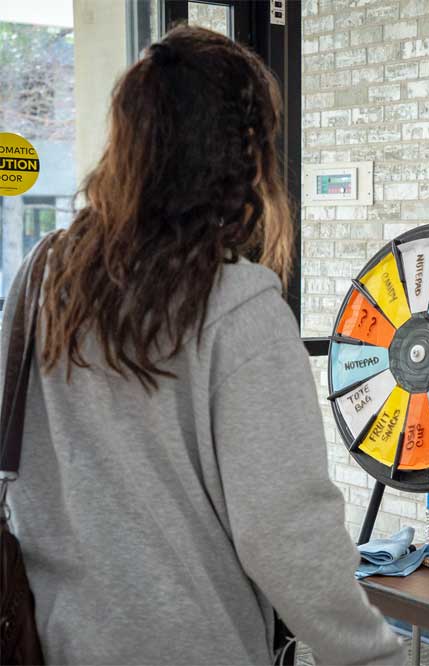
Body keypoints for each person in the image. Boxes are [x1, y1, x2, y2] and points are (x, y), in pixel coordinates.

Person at [2, 27, 404, 664]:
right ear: (242, 154)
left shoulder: (44, 274)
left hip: (52, 640)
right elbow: (285, 534)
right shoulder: (238, 307)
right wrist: (374, 654)